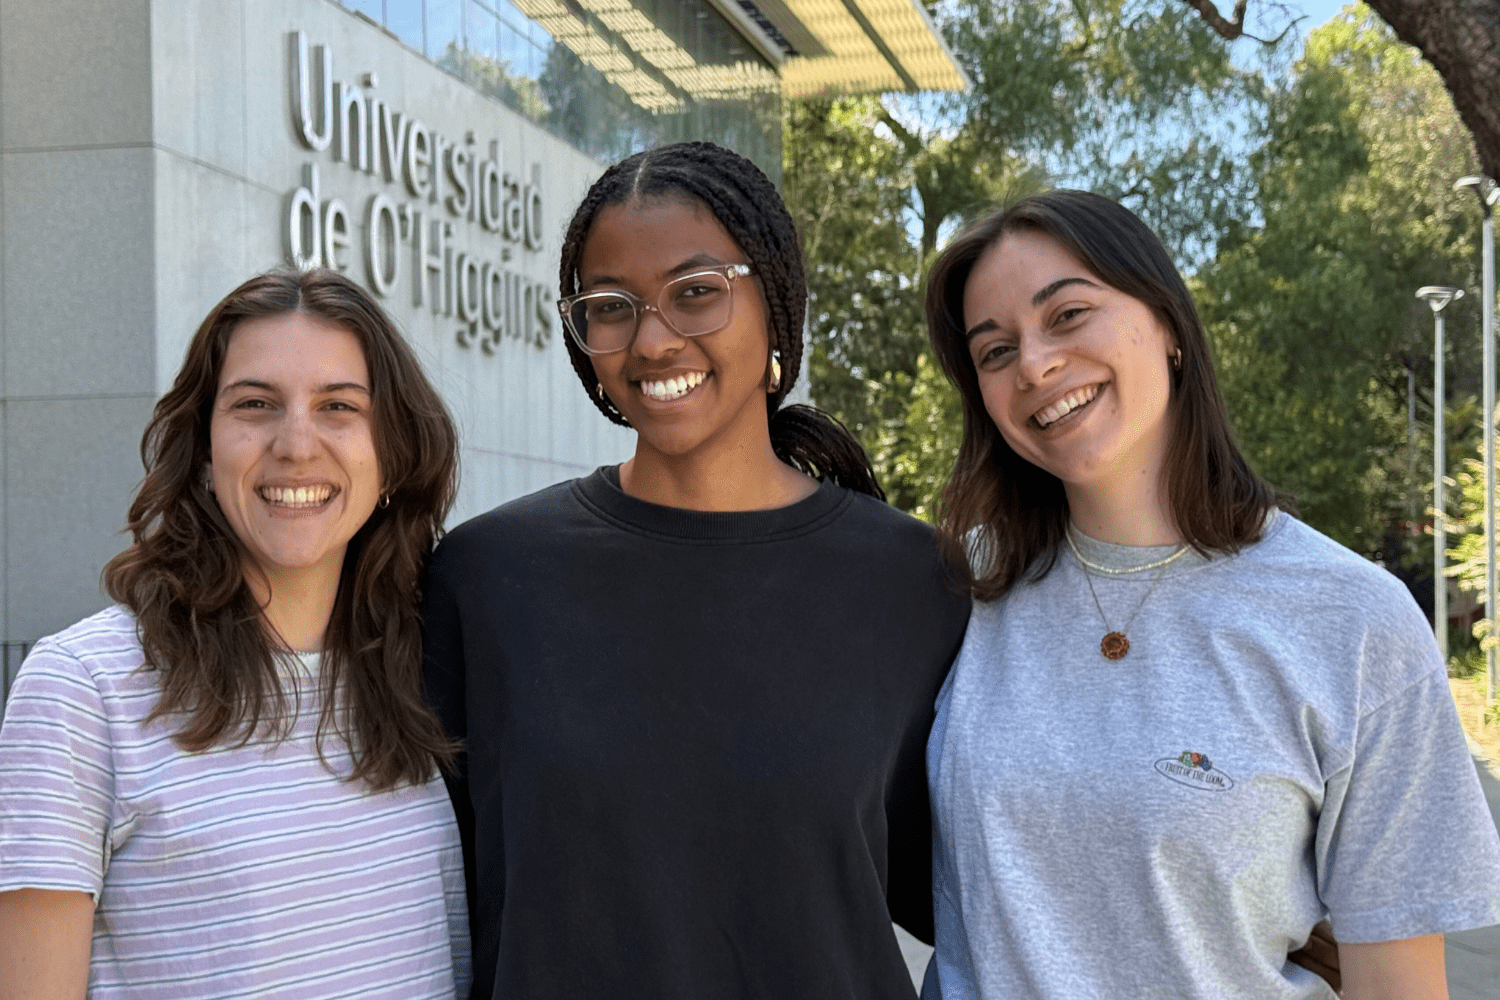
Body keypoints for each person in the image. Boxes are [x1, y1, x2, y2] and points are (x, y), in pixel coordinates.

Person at [421, 140, 971, 1000]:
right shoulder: (485, 579)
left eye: (696, 293)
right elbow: (419, 888)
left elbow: (983, 896)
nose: (653, 339)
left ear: (775, 301)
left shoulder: (915, 582)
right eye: (611, 306)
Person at [920, 189, 1500, 1000]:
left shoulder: (1353, 622)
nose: (1036, 365)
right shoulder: (954, 591)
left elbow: (1398, 986)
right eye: (994, 352)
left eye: (1069, 315)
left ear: (1168, 327)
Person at [0, 270, 471, 999]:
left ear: (391, 455)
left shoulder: (421, 666)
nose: (295, 443)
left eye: (338, 406)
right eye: (255, 404)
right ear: (204, 447)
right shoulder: (84, 688)